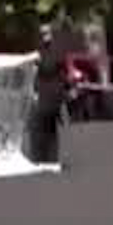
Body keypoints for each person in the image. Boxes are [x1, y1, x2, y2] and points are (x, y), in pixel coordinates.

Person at [28, 24, 79, 172]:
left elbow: (38, 75)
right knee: (50, 129)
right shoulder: (58, 53)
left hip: (46, 95)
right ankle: (50, 160)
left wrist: (34, 90)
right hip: (56, 96)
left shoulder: (40, 55)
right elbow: (65, 74)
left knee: (38, 127)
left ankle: (38, 159)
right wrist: (69, 90)